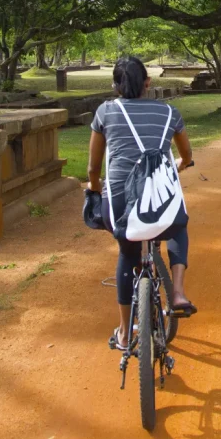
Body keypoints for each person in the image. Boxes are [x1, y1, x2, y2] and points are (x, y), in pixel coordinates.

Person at [87, 57, 196, 350]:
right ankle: (179, 293)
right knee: (177, 226)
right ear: (148, 83)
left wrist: (94, 190)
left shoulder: (105, 111)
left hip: (120, 200)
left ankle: (124, 333)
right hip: (160, 197)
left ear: (115, 86)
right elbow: (186, 155)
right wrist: (182, 164)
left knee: (127, 252)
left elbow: (93, 170)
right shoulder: (169, 112)